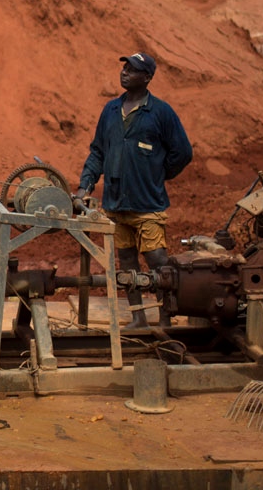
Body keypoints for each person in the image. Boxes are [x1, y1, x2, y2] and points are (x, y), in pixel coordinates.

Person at [77, 51, 192, 328]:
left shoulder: (161, 112)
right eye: (124, 67)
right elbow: (98, 152)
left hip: (147, 204)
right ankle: (138, 317)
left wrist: (158, 174)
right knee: (127, 263)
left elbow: (183, 152)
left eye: (133, 69)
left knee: (157, 262)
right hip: (116, 203)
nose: (125, 72)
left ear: (148, 78)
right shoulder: (111, 111)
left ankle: (165, 317)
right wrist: (85, 186)